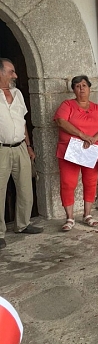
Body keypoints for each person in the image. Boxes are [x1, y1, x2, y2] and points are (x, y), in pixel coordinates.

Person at [54, 75, 98, 231]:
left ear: (89, 88)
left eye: (84, 85)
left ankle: (87, 214)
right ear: (73, 90)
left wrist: (93, 139)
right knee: (68, 183)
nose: (81, 89)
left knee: (90, 182)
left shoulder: (97, 108)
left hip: (91, 151)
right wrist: (83, 135)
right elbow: (61, 121)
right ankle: (70, 218)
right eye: (77, 86)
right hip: (71, 150)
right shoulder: (67, 105)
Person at [0, 58, 43, 249]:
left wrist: (29, 145)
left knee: (25, 186)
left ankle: (23, 224)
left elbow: (23, 121)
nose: (15, 75)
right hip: (1, 149)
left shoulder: (17, 94)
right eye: (11, 72)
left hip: (20, 148)